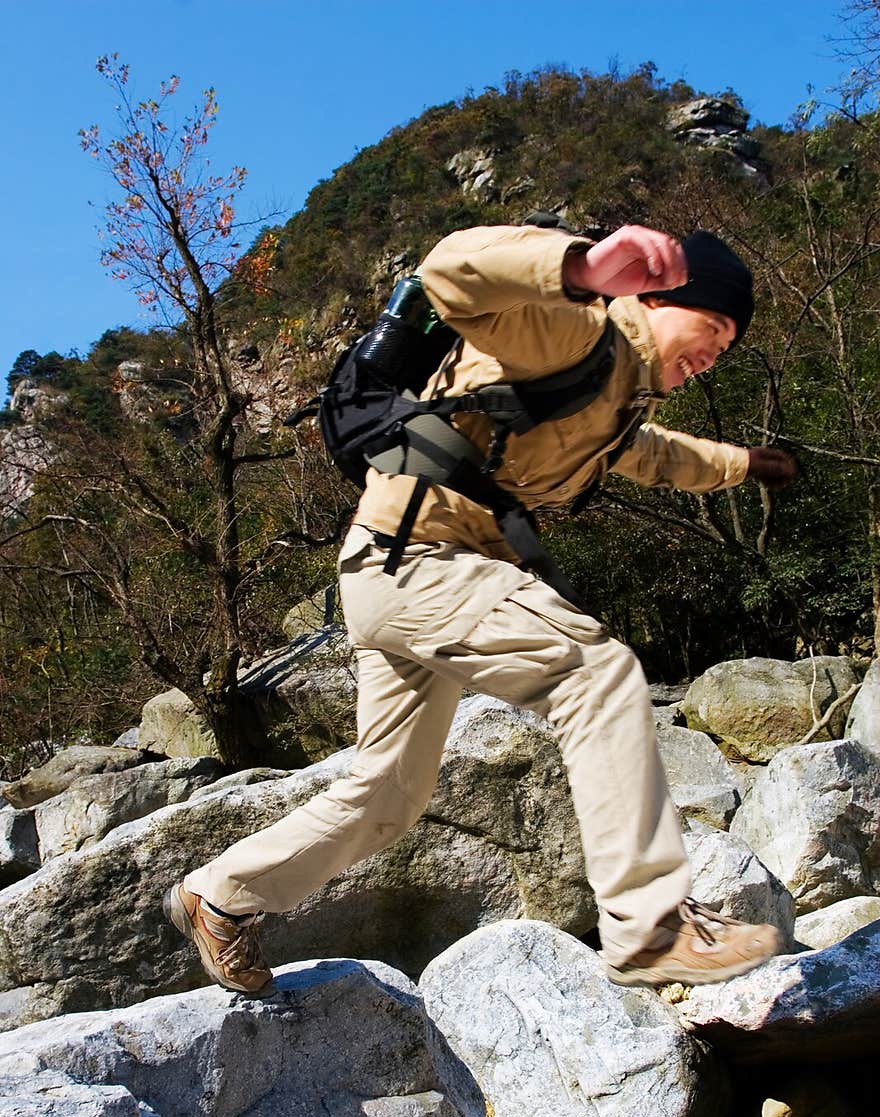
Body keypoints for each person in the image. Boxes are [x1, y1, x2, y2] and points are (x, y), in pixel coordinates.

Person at [164, 221, 796, 995]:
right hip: (420, 561)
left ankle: (220, 895)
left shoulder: (617, 395)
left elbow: (656, 455)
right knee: (596, 673)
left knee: (388, 796)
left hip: (400, 572)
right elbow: (449, 271)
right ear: (662, 297)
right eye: (714, 328)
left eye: (729, 348)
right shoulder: (574, 330)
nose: (714, 355)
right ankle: (650, 929)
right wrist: (580, 268)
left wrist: (743, 464)